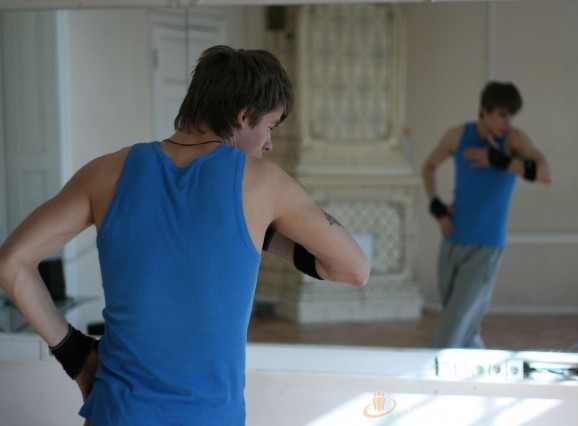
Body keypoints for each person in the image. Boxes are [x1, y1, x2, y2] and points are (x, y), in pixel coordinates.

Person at [0, 45, 370, 425]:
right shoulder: (263, 184)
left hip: (116, 414)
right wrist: (261, 229)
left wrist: (75, 355)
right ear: (244, 115)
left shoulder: (105, 174)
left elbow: (11, 264)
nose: (268, 143)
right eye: (269, 127)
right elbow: (354, 268)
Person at [422, 81, 551, 349]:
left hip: (486, 245)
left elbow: (545, 174)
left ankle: (426, 368)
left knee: (455, 325)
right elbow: (428, 167)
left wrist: (500, 160)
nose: (508, 122)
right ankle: (479, 369)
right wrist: (437, 206)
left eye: (511, 116)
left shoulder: (514, 140)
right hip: (453, 238)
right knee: (464, 327)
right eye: (502, 115)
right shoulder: (458, 135)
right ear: (485, 110)